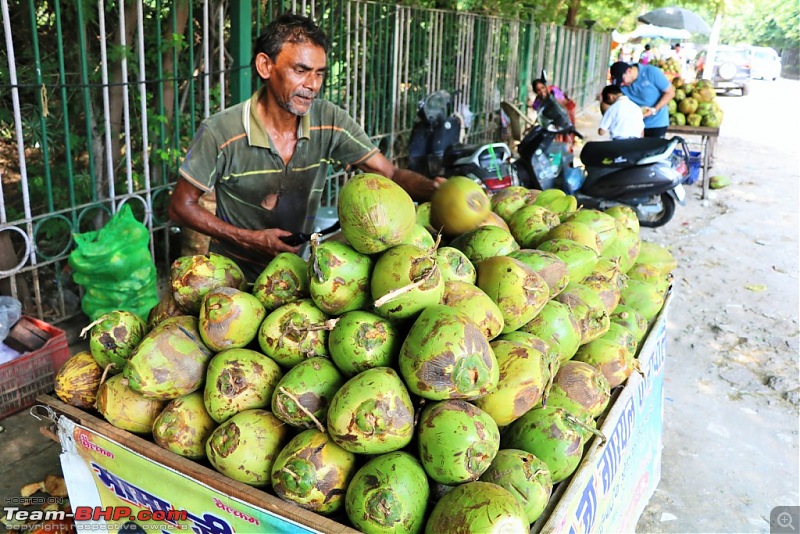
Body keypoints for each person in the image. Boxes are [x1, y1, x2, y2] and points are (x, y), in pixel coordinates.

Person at [168, 14, 443, 282]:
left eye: (319, 74)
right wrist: (248, 239)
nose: (312, 85)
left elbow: (390, 175)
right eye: (300, 71)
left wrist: (435, 190)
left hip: (294, 277)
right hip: (230, 279)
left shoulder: (330, 120)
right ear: (265, 66)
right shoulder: (220, 131)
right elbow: (180, 206)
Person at [605, 61, 675, 138]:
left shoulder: (651, 72)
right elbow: (608, 100)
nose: (622, 84)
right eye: (619, 83)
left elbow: (670, 93)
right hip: (633, 126)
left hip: (656, 123)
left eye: (622, 80)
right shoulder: (620, 86)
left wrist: (653, 110)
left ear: (629, 71)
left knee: (653, 149)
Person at [528, 78, 576, 150]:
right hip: (552, 124)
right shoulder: (537, 101)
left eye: (543, 87)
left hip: (564, 119)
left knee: (566, 142)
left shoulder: (554, 91)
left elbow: (563, 103)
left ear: (545, 86)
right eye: (538, 90)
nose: (541, 91)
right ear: (536, 92)